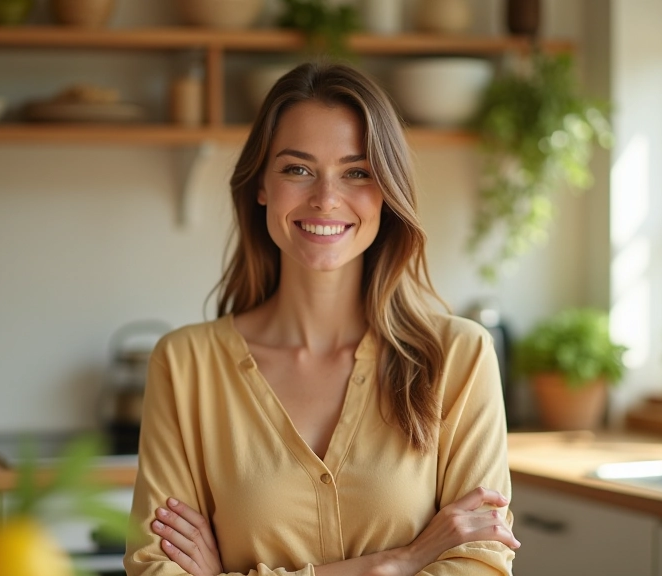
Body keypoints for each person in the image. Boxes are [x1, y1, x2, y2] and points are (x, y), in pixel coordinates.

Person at [123, 62, 519, 576]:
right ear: (261, 185)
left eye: (356, 172)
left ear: (387, 192)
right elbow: (155, 569)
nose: (326, 199)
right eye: (297, 169)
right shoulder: (185, 364)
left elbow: (479, 567)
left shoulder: (458, 358)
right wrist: (397, 563)